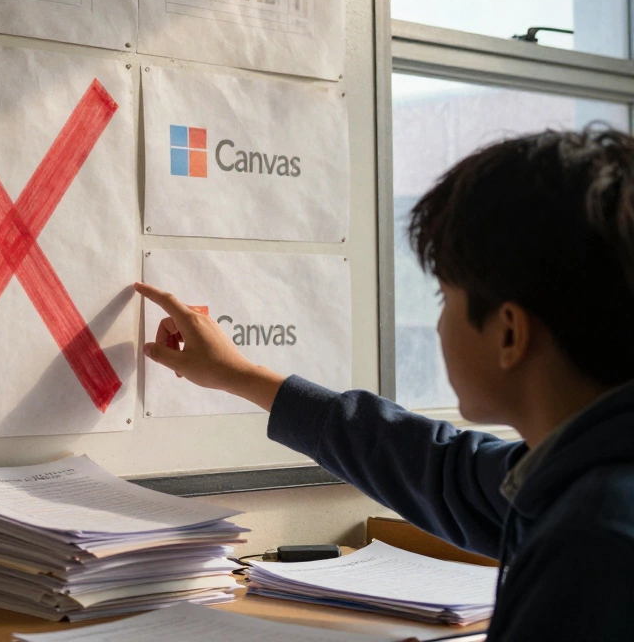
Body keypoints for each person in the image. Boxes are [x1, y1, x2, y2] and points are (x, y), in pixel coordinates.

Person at [136, 127, 634, 641]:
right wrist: (238, 375)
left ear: (509, 333)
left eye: (445, 299)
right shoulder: (577, 475)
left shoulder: (596, 544)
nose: (440, 326)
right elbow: (440, 468)